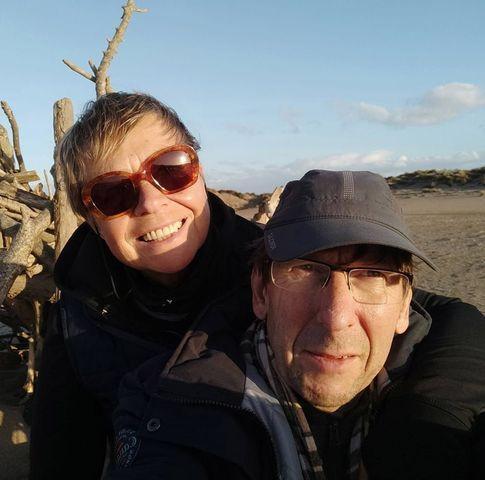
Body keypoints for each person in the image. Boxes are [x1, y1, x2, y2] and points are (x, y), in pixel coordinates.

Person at [30, 91, 483, 479]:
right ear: (91, 220)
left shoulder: (270, 256)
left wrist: (424, 419)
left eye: (170, 170)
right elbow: (61, 456)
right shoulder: (78, 317)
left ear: (199, 171)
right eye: (112, 193)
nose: (151, 203)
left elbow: (444, 315)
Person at [109, 170, 485, 480]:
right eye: (305, 270)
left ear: (404, 307)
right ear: (261, 292)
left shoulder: (453, 397)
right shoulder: (169, 408)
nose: (336, 318)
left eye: (371, 274)